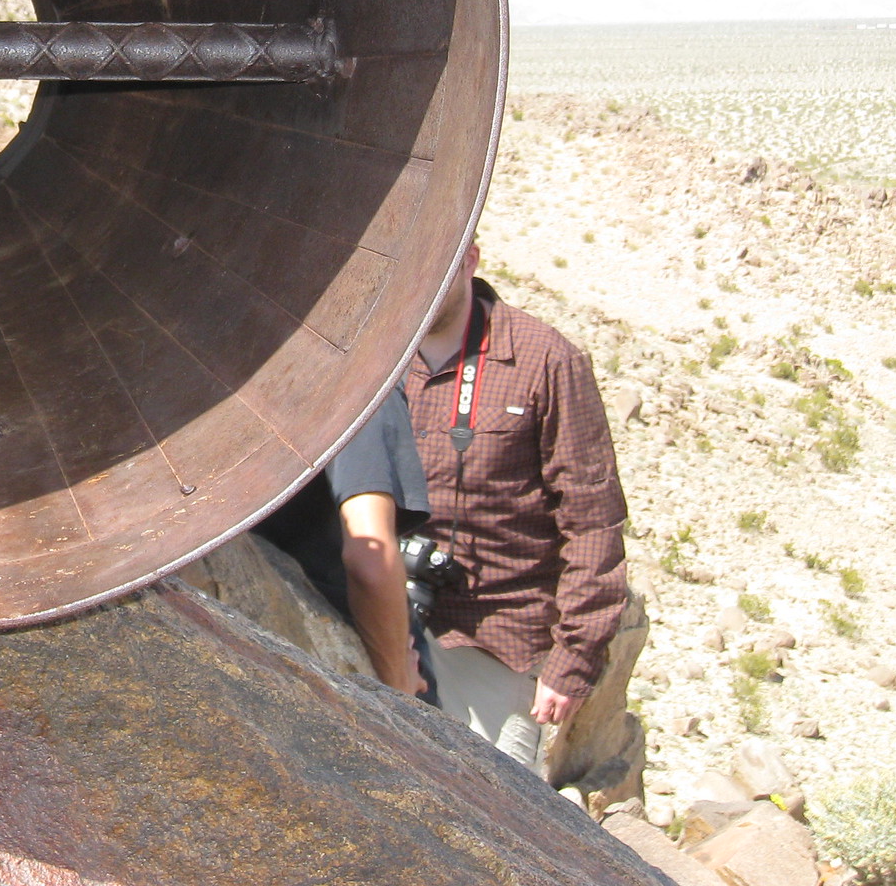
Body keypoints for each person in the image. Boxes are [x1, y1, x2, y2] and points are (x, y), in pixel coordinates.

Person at [342, 240, 629, 770]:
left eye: (438, 269)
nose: (423, 288)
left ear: (470, 260)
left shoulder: (545, 361)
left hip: (494, 642)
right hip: (379, 614)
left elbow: (594, 524)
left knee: (485, 807)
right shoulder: (377, 348)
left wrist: (573, 660)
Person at [256, 370, 434, 697]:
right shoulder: (358, 381)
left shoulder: (202, 382)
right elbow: (371, 560)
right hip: (350, 655)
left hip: (251, 640)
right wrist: (399, 688)